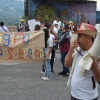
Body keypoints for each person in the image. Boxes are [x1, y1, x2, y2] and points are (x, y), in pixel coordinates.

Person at [65, 23, 100, 100]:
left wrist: (95, 68)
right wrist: (70, 50)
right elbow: (67, 64)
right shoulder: (78, 51)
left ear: (89, 37)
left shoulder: (97, 55)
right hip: (74, 95)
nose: (77, 39)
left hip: (88, 98)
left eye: (79, 36)